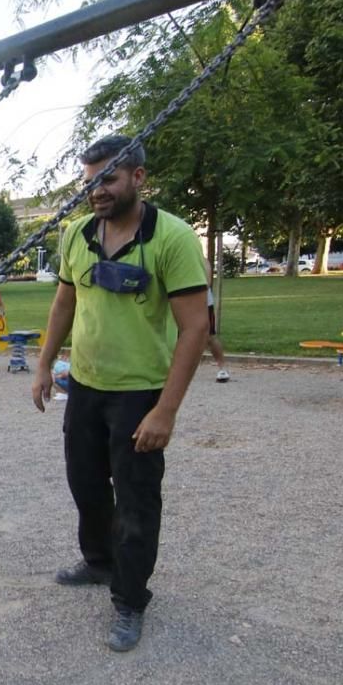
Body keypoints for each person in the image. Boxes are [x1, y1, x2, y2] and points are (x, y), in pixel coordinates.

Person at [31, 135, 209, 653]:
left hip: (139, 394)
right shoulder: (77, 234)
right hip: (84, 386)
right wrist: (44, 364)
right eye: (89, 182)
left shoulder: (172, 238)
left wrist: (165, 411)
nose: (96, 191)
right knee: (85, 486)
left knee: (135, 503)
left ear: (138, 178)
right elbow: (64, 304)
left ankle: (130, 600)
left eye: (107, 178)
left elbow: (195, 328)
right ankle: (99, 562)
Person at [204, 260, 231, 382]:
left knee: (210, 337)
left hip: (203, 303)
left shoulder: (202, 260)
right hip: (177, 303)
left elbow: (207, 282)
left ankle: (222, 368)